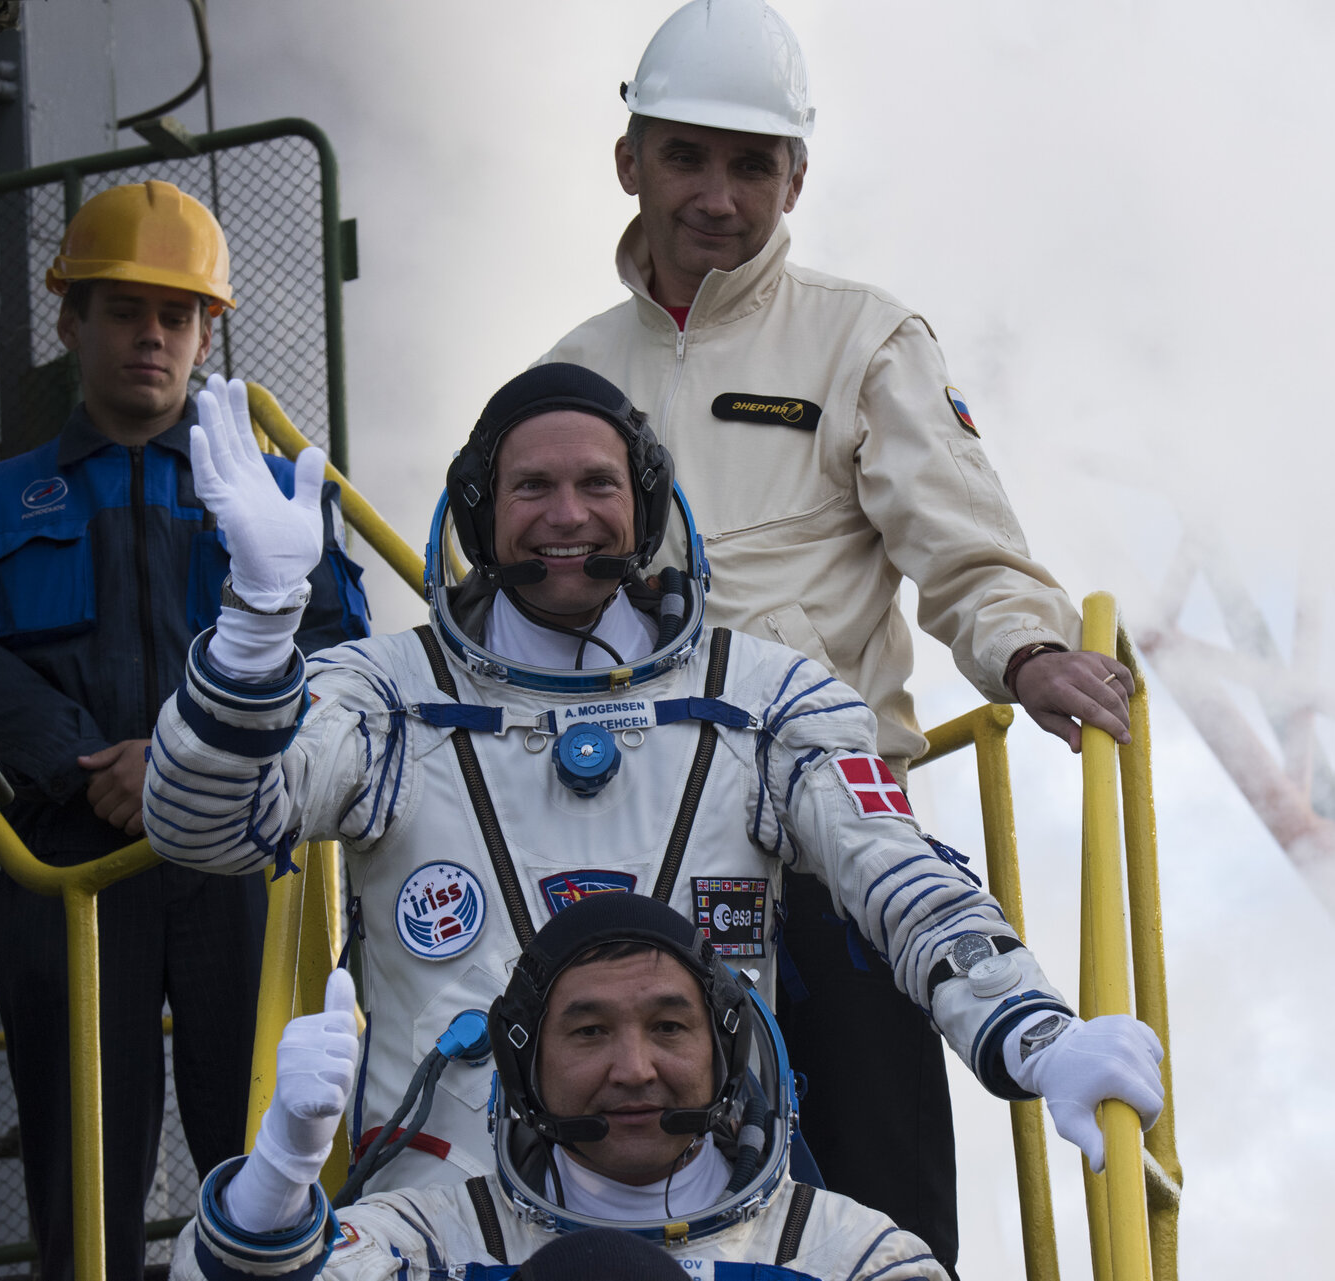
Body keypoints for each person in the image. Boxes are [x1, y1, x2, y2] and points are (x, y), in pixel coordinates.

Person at [140, 361, 1159, 1212]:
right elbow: (209, 825)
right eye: (532, 489)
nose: (566, 517)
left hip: (709, 1204)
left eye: (598, 485)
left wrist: (1037, 1036)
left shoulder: (763, 695)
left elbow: (900, 881)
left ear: (649, 505)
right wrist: (257, 625)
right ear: (482, 510)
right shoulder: (386, 695)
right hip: (449, 1214)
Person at [538, 3, 1136, 1262]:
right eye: (687, 157)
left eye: (751, 165)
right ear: (628, 161)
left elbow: (962, 542)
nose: (717, 195)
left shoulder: (861, 337)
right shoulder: (569, 380)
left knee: (878, 1197)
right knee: (626, 1224)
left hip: (832, 852)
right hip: (626, 863)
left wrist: (1028, 649)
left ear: (795, 177)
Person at [0, 178, 370, 1280]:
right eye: (124, 310)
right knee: (81, 1178)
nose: (153, 336)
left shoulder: (277, 494)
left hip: (244, 862)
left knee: (276, 1159)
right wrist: (86, 763)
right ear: (69, 321)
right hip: (69, 860)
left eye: (176, 315)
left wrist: (179, 763)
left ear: (206, 332)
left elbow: (338, 654)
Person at [167, 895, 1162, 1280]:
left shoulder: (850, 1254)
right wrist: (283, 1176)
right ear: (526, 1070)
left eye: (670, 1028)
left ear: (724, 1057)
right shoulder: (437, 1234)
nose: (634, 1068)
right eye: (589, 1031)